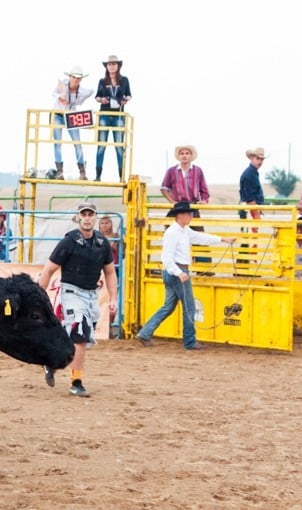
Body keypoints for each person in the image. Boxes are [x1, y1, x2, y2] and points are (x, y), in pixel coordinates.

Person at [38, 203, 118, 397]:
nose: (88, 218)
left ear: (95, 217)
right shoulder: (69, 242)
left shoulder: (101, 242)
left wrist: (113, 298)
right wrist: (39, 295)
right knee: (80, 335)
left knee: (77, 339)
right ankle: (77, 382)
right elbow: (49, 270)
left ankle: (51, 360)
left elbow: (109, 272)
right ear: (78, 217)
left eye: (91, 214)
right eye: (84, 214)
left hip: (91, 295)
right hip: (72, 293)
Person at [135, 202, 236, 350]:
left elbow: (200, 237)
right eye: (188, 214)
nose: (190, 216)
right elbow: (166, 257)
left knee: (168, 306)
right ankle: (189, 341)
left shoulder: (182, 230)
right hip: (178, 271)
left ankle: (145, 332)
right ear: (180, 215)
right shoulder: (173, 232)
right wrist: (179, 272)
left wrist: (222, 239)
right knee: (189, 307)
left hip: (174, 272)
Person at [51, 66, 94, 180]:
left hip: (71, 116)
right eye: (74, 77)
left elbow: (90, 92)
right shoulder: (63, 85)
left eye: (78, 78)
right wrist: (60, 96)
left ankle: (82, 172)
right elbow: (53, 93)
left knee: (77, 143)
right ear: (69, 77)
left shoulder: (81, 91)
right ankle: (59, 172)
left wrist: (79, 100)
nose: (76, 80)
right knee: (57, 143)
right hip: (58, 115)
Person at [93, 55, 132, 182]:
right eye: (109, 64)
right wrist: (102, 99)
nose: (112, 66)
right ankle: (98, 175)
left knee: (119, 146)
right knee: (101, 145)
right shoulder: (102, 81)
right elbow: (97, 97)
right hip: (104, 113)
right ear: (106, 66)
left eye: (114, 64)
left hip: (119, 114)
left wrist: (125, 100)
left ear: (118, 66)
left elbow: (129, 95)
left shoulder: (124, 80)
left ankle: (121, 177)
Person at [239, 147, 267, 223]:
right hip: (250, 210)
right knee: (252, 232)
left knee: (254, 232)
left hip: (252, 209)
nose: (260, 161)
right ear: (252, 158)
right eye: (258, 159)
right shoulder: (249, 174)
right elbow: (249, 198)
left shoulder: (253, 173)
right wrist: (256, 214)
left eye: (262, 159)